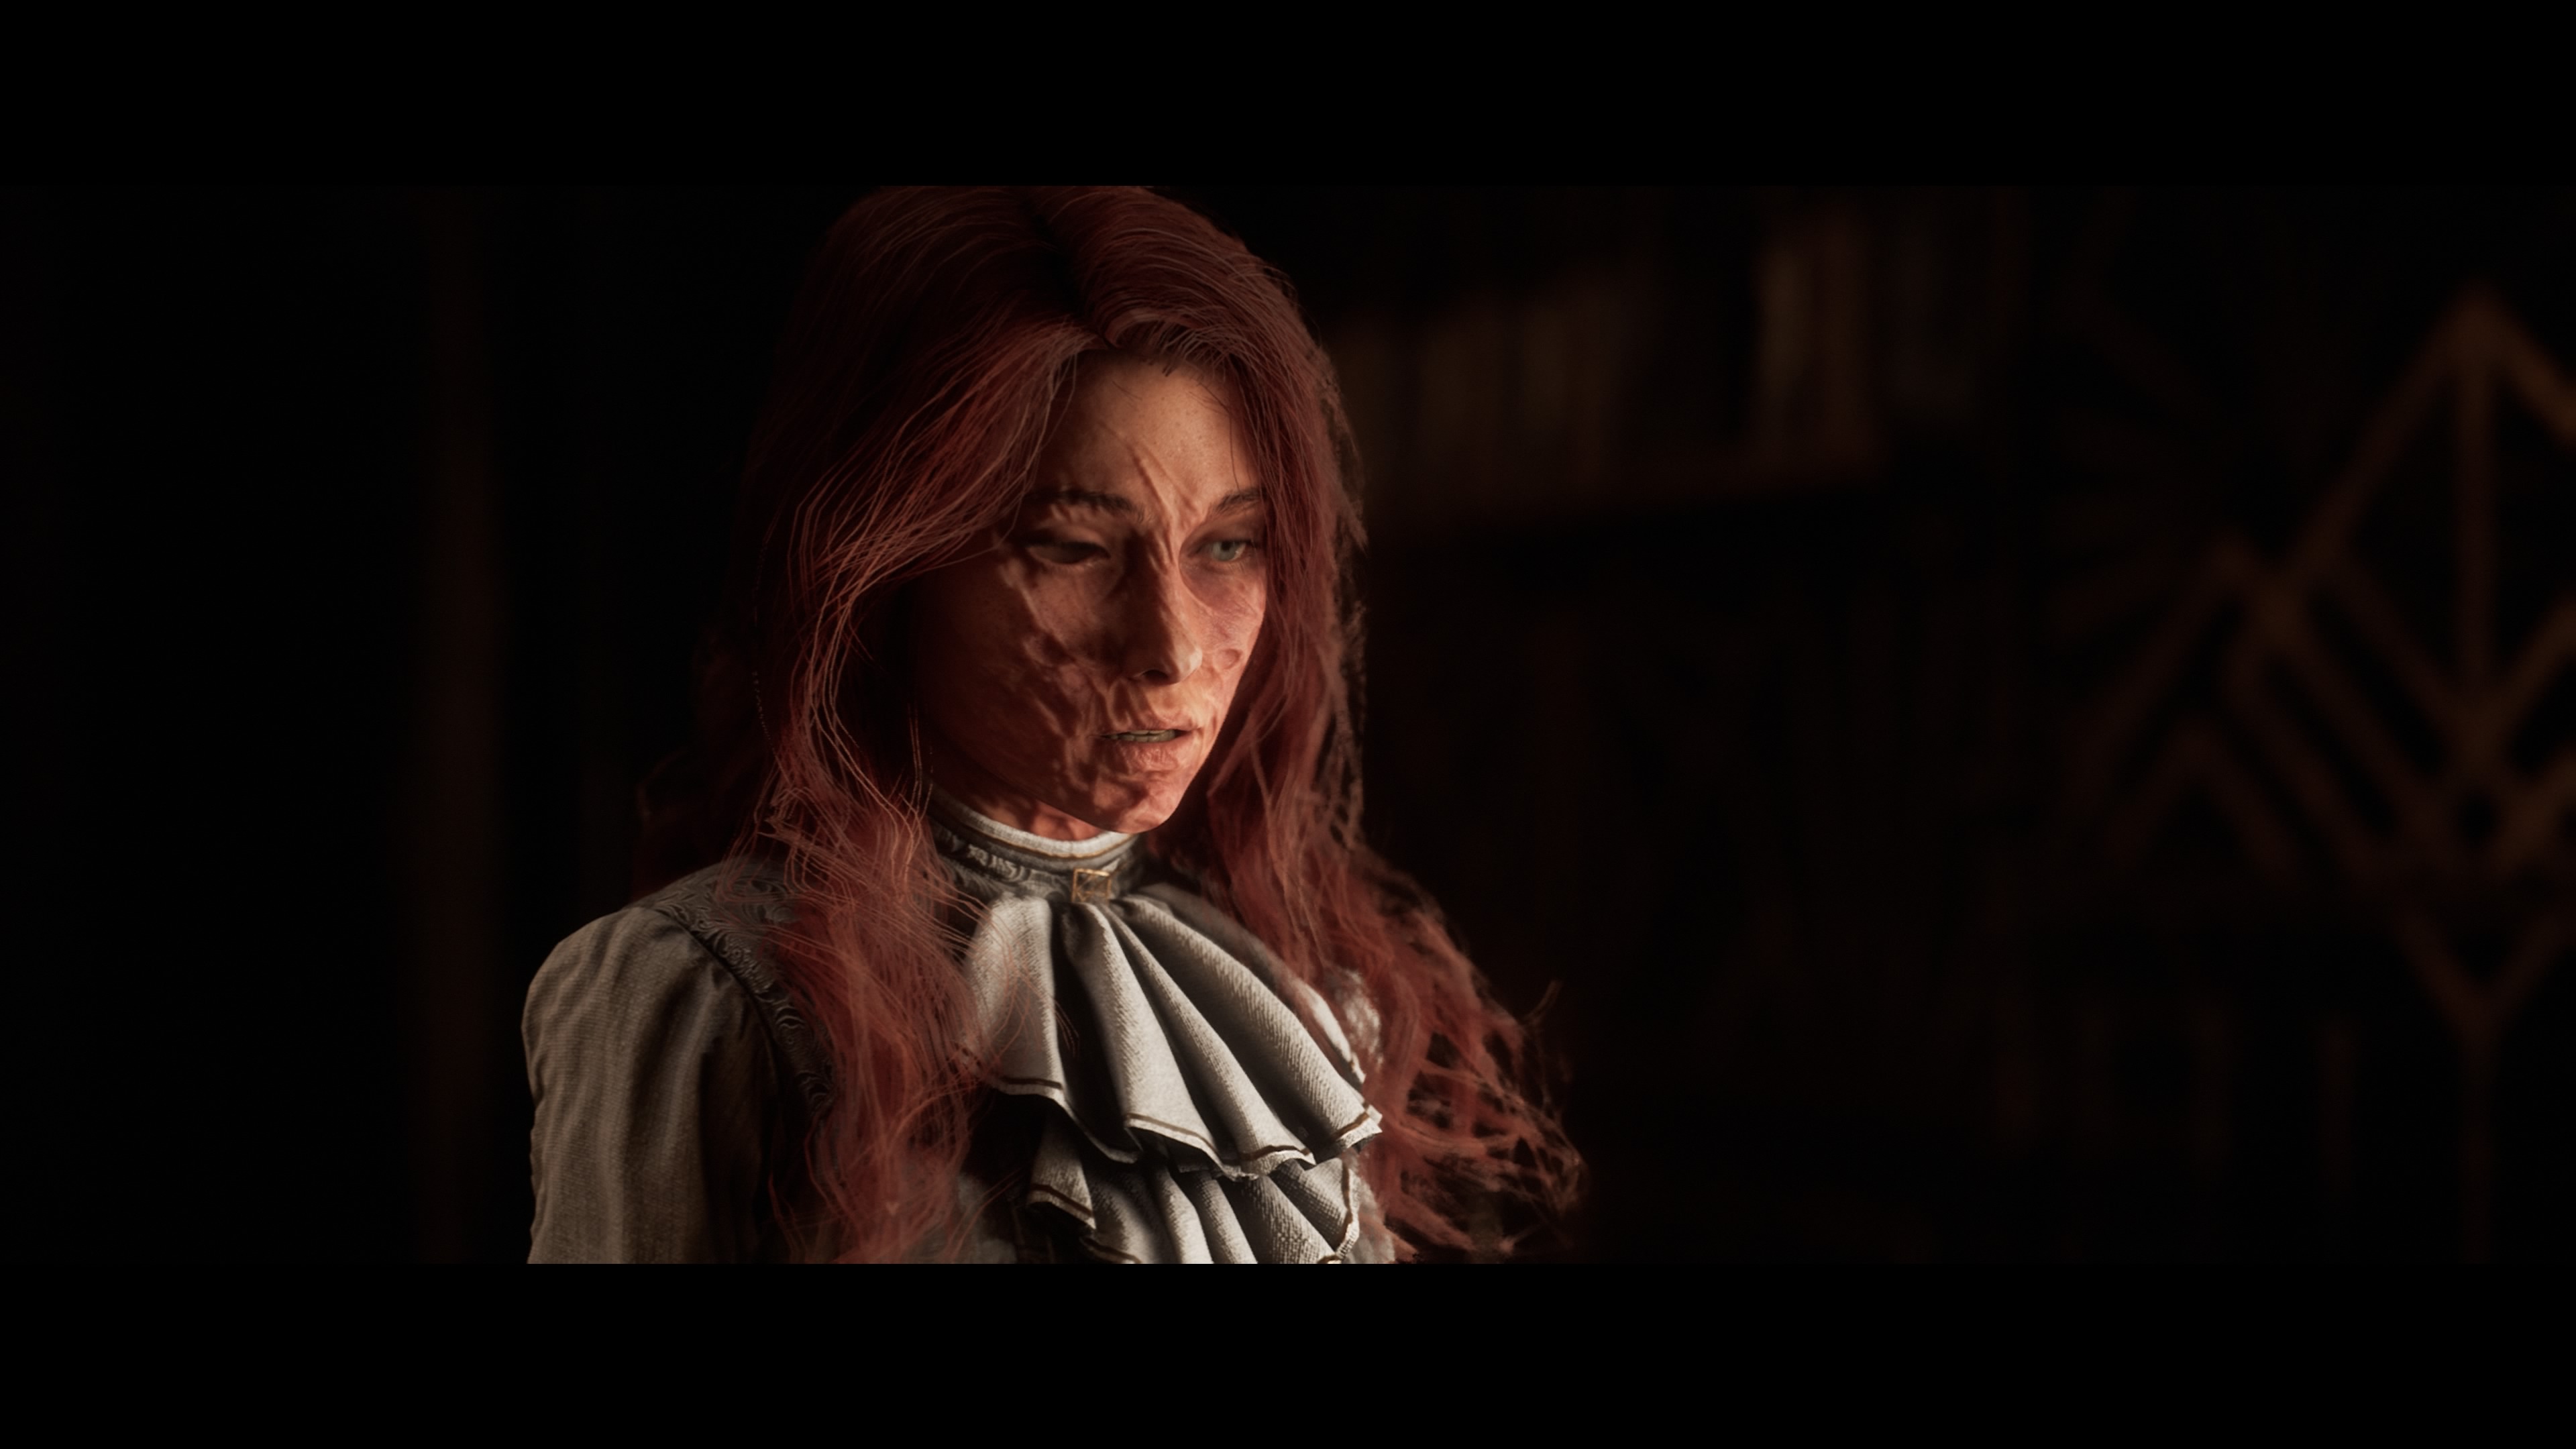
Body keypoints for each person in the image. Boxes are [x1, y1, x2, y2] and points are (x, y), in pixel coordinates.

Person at [523, 187, 1576, 1262]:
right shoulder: (705, 998)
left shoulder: (1295, 1003)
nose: (1172, 647)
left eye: (1228, 548)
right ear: (886, 564)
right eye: (1073, 549)